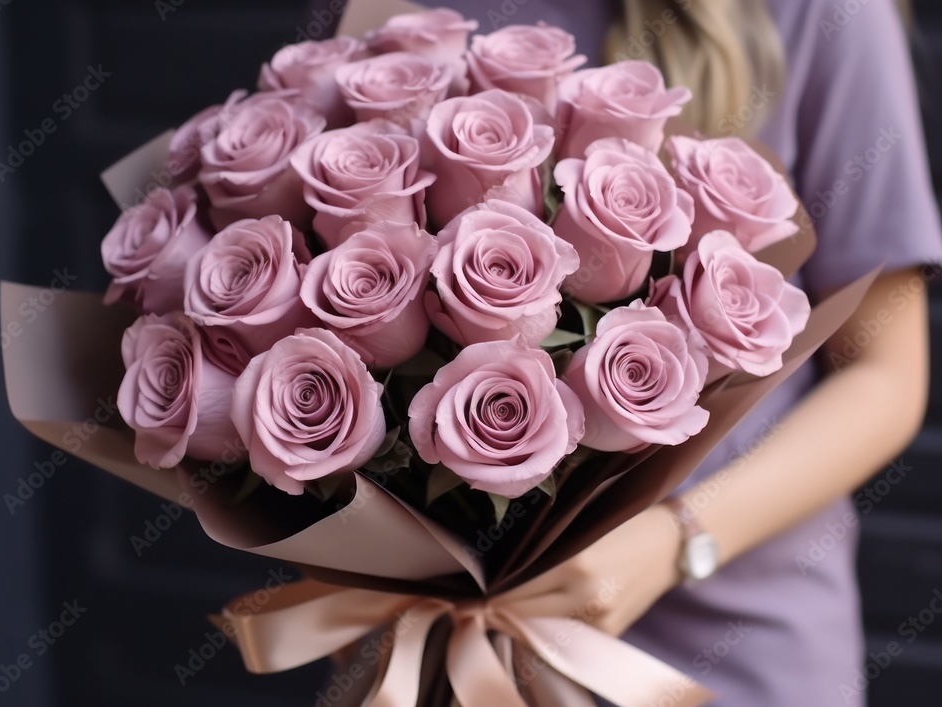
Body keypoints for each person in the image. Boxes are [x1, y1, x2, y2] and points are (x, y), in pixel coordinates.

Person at [339, 0, 941, 704]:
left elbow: (886, 377)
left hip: (733, 647)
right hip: (441, 639)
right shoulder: (397, 12)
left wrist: (675, 539)